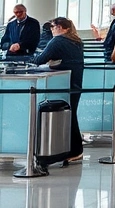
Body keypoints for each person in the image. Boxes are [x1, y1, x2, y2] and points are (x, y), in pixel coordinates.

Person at [32, 17, 85, 163]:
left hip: (62, 84)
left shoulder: (58, 41)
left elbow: (40, 59)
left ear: (61, 27)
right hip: (75, 83)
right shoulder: (77, 41)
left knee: (69, 117)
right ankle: (73, 150)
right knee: (71, 115)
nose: (52, 30)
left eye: (53, 27)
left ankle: (74, 150)